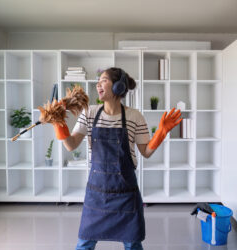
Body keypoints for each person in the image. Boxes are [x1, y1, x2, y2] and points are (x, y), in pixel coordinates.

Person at [51, 67, 182, 250]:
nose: (98, 84)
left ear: (119, 87)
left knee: (132, 244)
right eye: (98, 81)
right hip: (97, 193)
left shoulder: (134, 116)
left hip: (126, 193)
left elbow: (146, 152)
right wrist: (58, 122)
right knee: (85, 242)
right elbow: (71, 144)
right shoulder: (89, 113)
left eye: (103, 80)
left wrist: (161, 132)